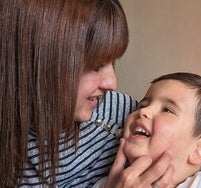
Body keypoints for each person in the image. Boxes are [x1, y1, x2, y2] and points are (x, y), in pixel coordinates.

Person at [1, 0, 175, 187]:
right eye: (96, 66)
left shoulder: (127, 114)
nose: (112, 83)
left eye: (112, 62)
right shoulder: (14, 158)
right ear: (35, 63)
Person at [95, 72, 201, 188]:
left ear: (200, 150)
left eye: (167, 110)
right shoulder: (109, 183)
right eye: (142, 104)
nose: (144, 111)